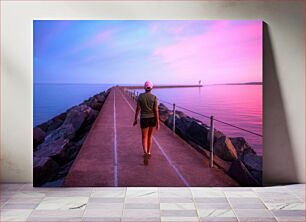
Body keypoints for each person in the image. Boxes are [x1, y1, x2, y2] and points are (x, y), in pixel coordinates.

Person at [133, 80, 160, 165]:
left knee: (144, 137)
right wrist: (158, 123)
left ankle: (145, 152)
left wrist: (135, 119)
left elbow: (138, 108)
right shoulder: (154, 97)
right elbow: (156, 110)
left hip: (144, 119)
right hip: (152, 119)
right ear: (151, 88)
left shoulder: (140, 96)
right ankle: (148, 152)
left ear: (144, 87)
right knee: (150, 136)